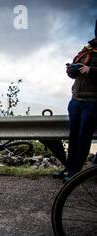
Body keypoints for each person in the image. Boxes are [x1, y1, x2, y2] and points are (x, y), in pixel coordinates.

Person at [53, 20, 97, 182]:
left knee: (83, 137)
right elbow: (75, 70)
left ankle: (76, 172)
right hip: (76, 99)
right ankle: (69, 168)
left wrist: (91, 70)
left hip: (92, 102)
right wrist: (72, 69)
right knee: (73, 136)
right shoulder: (88, 48)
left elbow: (90, 71)